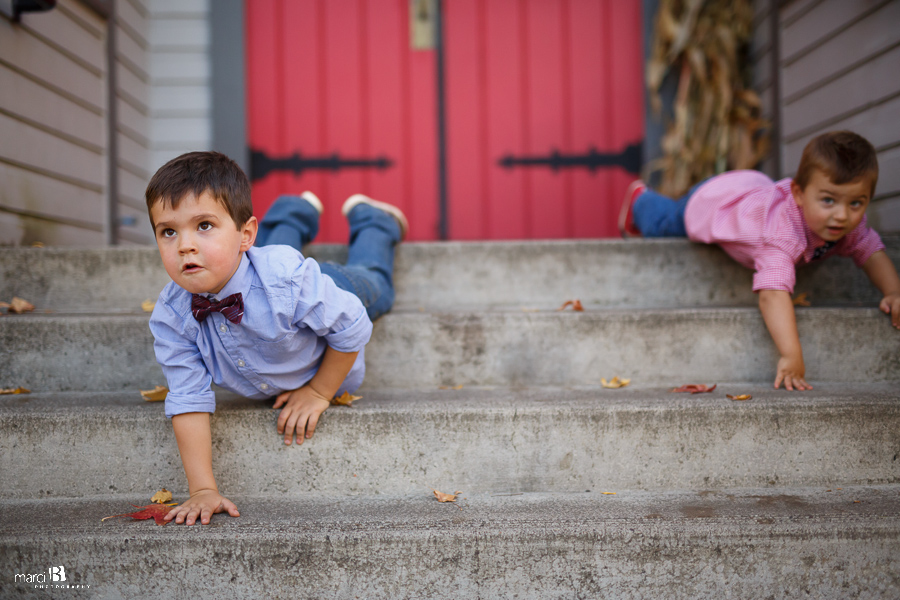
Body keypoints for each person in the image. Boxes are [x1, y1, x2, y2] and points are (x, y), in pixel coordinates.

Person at [145, 151, 407, 525]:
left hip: (326, 287)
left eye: (203, 225)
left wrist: (318, 392)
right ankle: (293, 209)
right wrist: (203, 489)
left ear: (246, 233)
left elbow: (352, 327)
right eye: (168, 231)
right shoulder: (173, 315)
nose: (184, 245)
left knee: (374, 281)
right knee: (257, 256)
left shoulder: (287, 279)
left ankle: (375, 221)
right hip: (266, 271)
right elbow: (187, 397)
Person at [618, 130, 900, 391]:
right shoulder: (781, 236)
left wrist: (894, 292)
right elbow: (772, 296)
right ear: (799, 195)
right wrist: (791, 354)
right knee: (665, 223)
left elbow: (869, 249)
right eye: (828, 201)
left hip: (752, 188)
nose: (842, 215)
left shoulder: (848, 224)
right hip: (714, 202)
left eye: (855, 203)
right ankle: (642, 199)